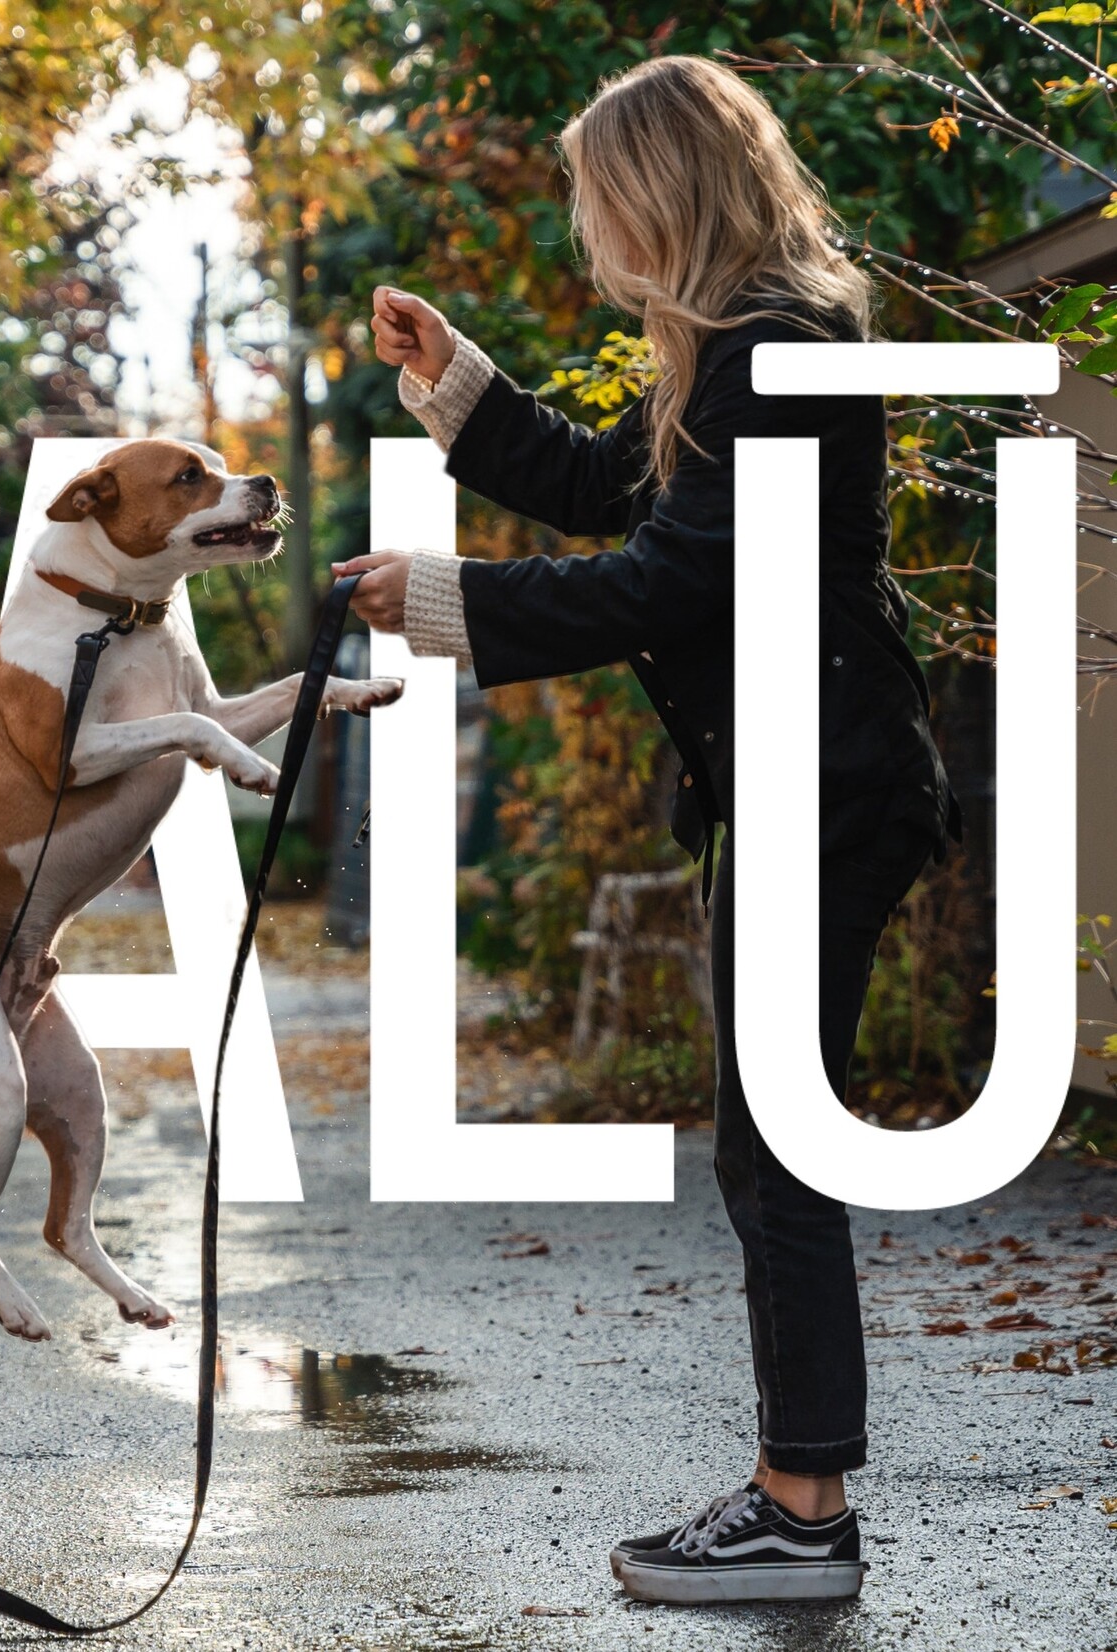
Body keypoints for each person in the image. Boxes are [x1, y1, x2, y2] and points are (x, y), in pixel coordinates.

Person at [335, 54, 964, 1607]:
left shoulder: (776, 348)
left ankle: (803, 1514)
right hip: (806, 782)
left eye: (600, 196)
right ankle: (798, 1498)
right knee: (772, 1145)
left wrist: (440, 600)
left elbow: (670, 582)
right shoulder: (745, 342)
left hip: (826, 788)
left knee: (778, 1148)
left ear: (661, 189)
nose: (590, 227)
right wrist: (458, 384)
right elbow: (617, 489)